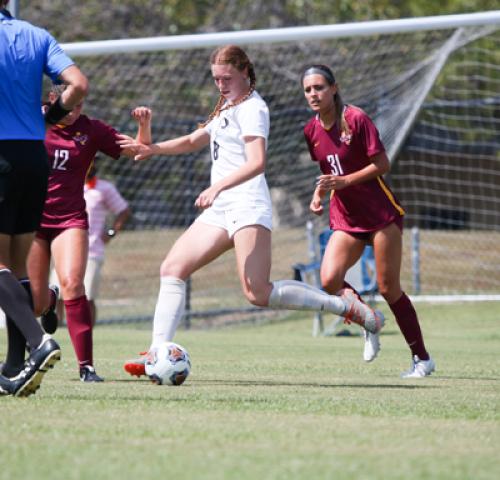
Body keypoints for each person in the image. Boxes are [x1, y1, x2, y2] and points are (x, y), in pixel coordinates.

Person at [118, 45, 385, 378]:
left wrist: (217, 186)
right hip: (222, 207)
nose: (220, 84)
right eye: (216, 78)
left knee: (257, 292)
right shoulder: (227, 106)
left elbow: (257, 163)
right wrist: (151, 148)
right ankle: (158, 351)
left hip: (247, 204)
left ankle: (346, 307)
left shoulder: (253, 108)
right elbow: (193, 140)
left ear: (245, 72)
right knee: (172, 267)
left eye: (226, 77)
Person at [6, 82, 151, 383]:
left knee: (74, 283)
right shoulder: (29, 120)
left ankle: (87, 367)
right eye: (69, 106)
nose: (74, 113)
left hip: (69, 219)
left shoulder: (92, 130)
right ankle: (48, 297)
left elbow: (138, 151)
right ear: (51, 99)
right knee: (32, 304)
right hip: (31, 220)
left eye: (79, 106)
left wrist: (144, 126)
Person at [301, 64, 435, 378]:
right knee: (329, 280)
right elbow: (328, 171)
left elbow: (382, 164)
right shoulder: (311, 130)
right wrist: (318, 195)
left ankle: (422, 358)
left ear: (334, 88)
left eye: (319, 87)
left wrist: (346, 182)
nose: (313, 94)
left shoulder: (356, 119)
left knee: (390, 288)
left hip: (379, 214)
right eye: (308, 90)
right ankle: (368, 321)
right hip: (346, 217)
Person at [0, 0, 88, 396]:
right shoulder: (36, 35)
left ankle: (39, 343)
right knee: (15, 266)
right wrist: (52, 117)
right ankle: (15, 367)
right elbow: (79, 85)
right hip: (35, 157)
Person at [53, 162, 131, 327]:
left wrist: (110, 233)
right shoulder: (66, 184)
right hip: (64, 250)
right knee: (58, 294)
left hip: (92, 251)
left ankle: (86, 333)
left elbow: (123, 211)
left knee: (86, 297)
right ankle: (57, 331)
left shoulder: (104, 188)